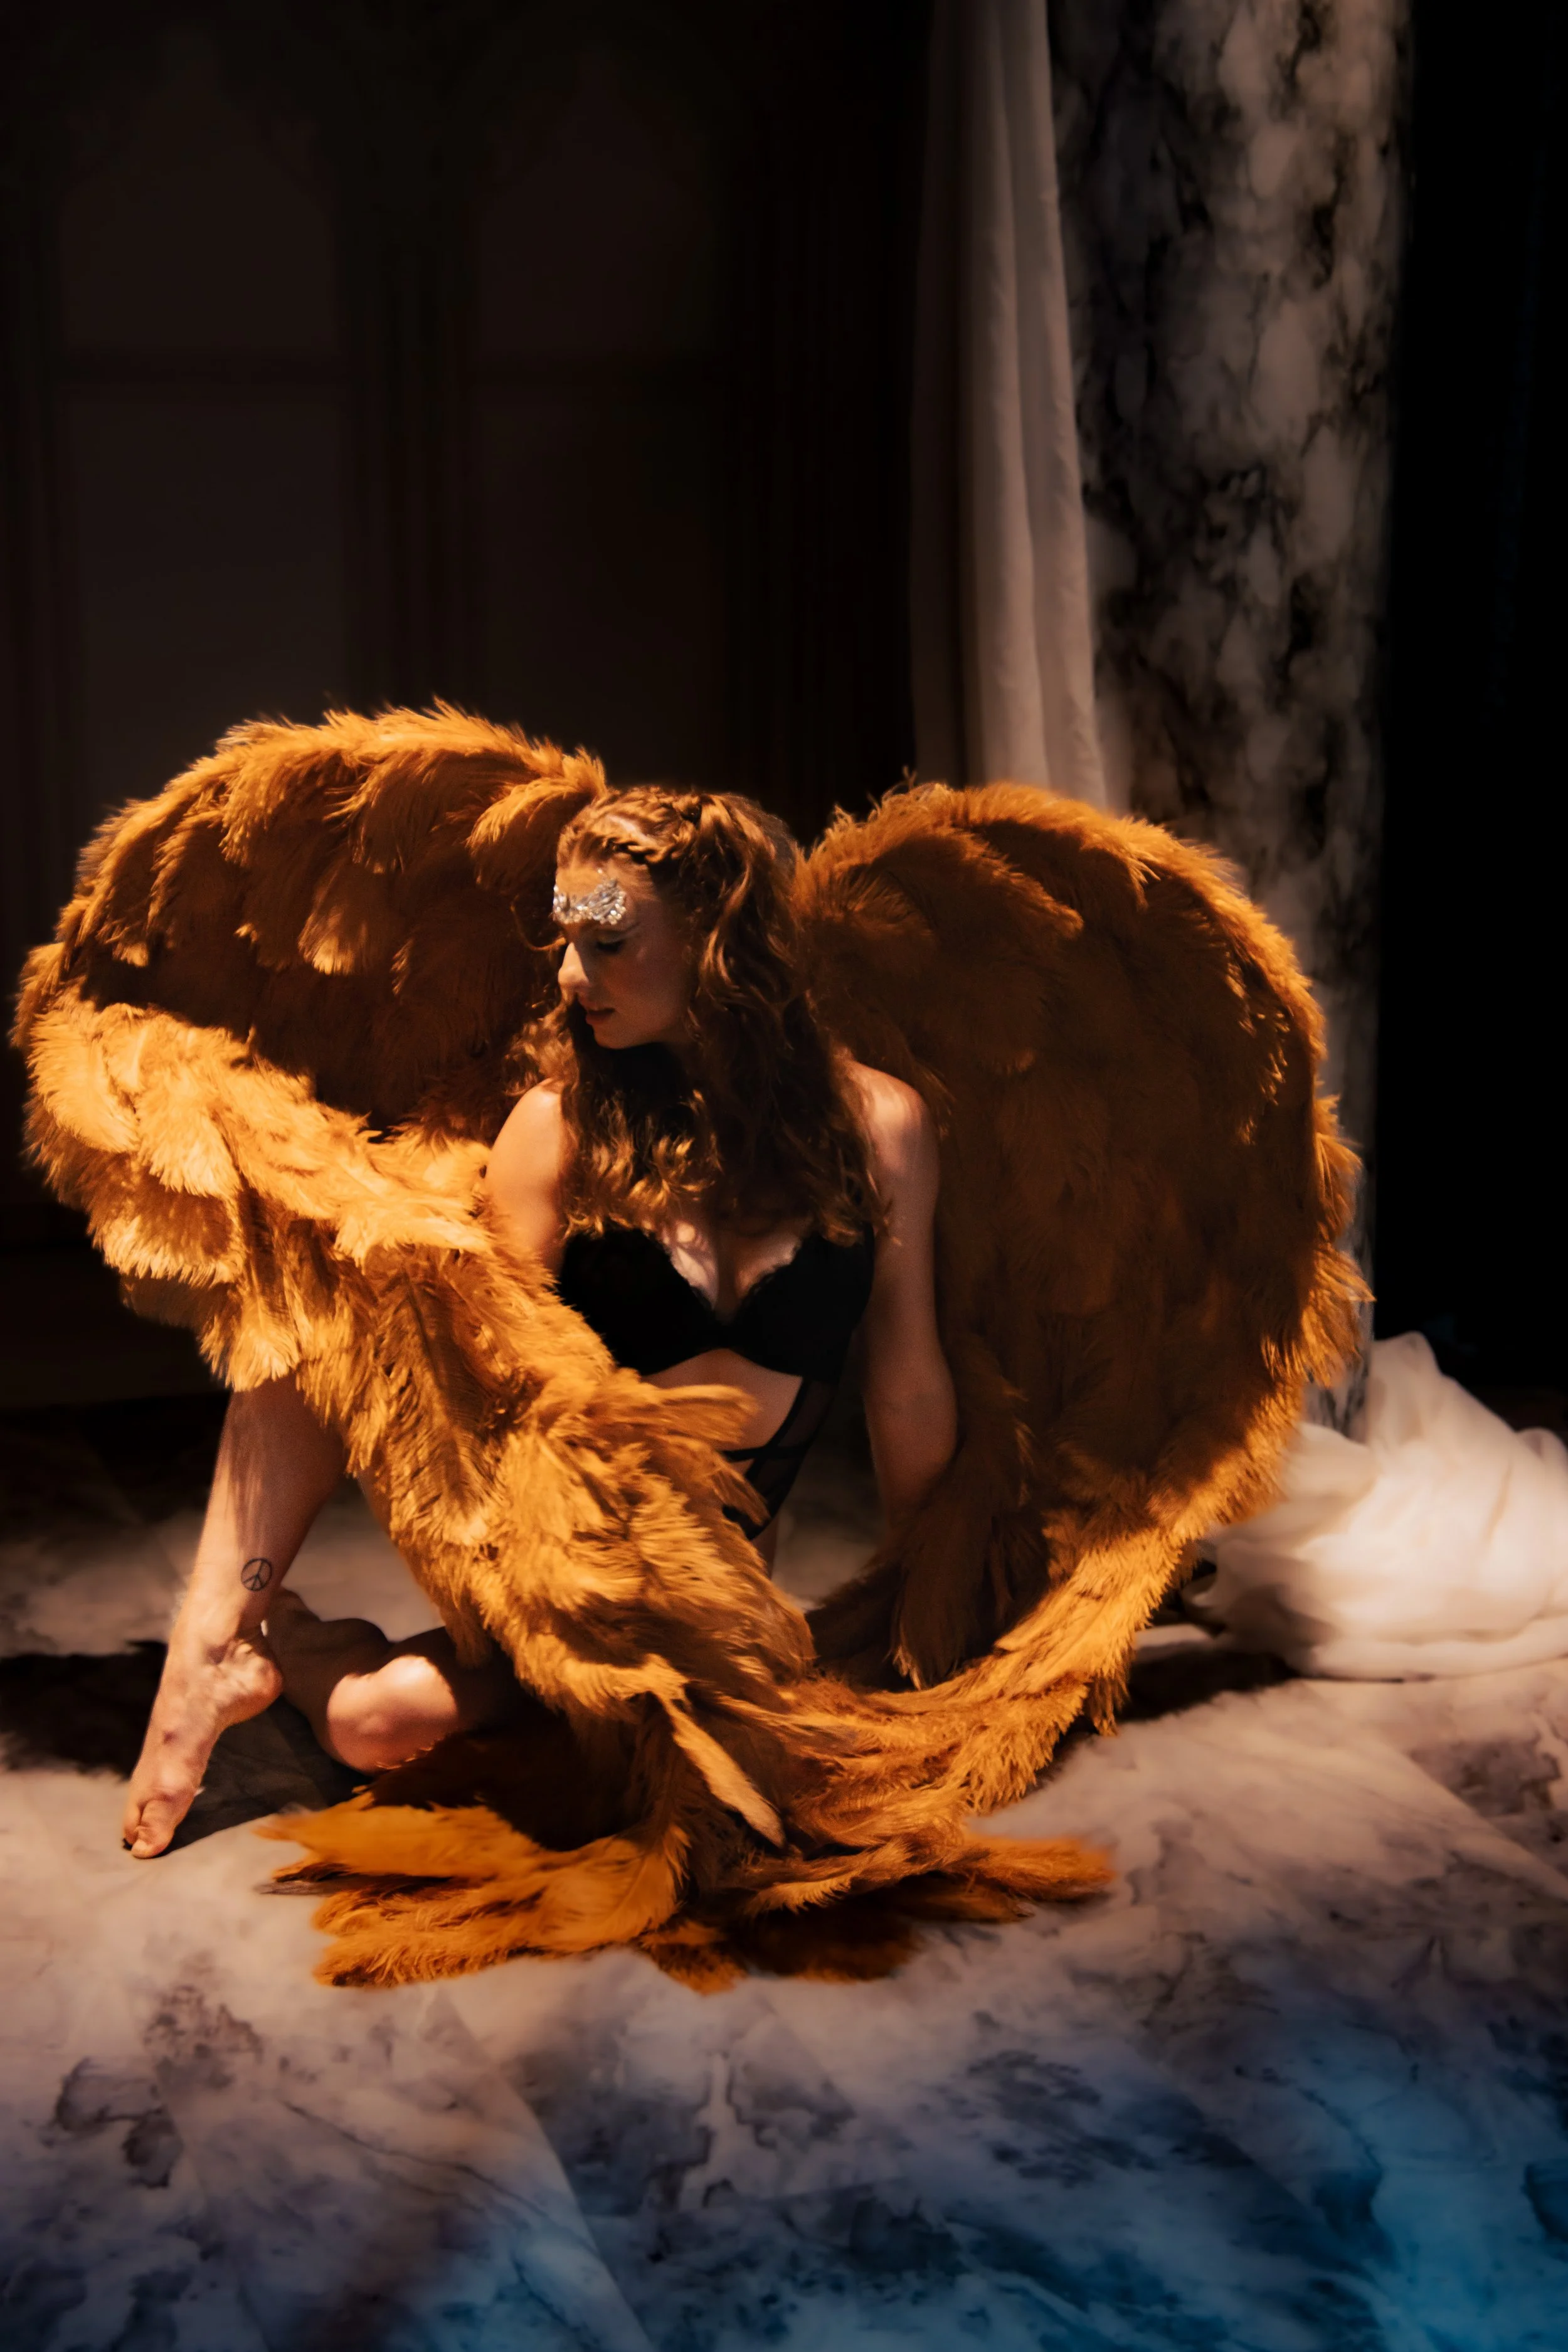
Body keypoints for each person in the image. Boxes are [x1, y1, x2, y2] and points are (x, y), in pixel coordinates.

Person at [120, 788, 958, 1860]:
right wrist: (547, 1613)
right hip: (566, 1566)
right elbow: (490, 1409)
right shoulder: (556, 1132)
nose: (569, 974)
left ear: (720, 945)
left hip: (726, 1596)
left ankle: (288, 1636)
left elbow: (907, 1381)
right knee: (377, 1721)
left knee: (723, 1771)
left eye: (607, 942)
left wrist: (920, 1596)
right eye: (564, 939)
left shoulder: (881, 1125)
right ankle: (255, 1640)